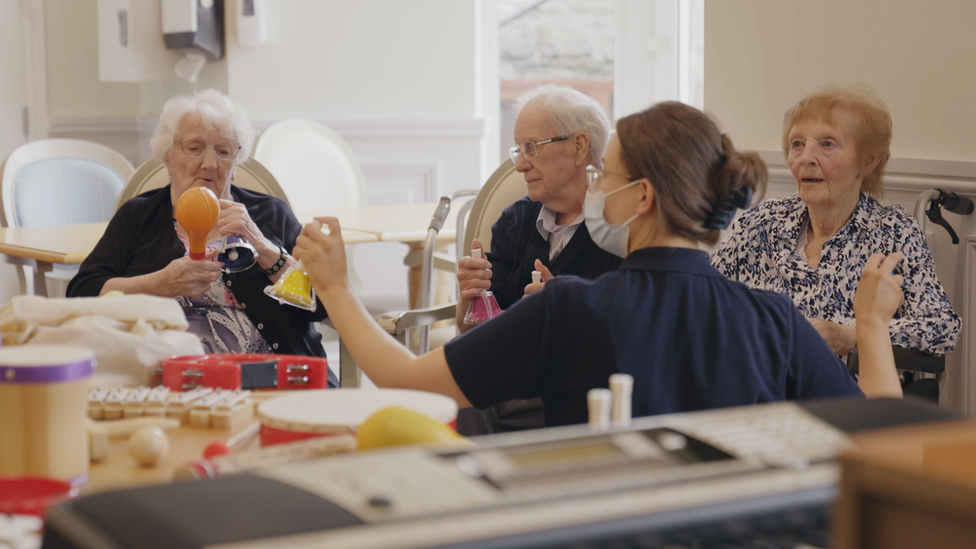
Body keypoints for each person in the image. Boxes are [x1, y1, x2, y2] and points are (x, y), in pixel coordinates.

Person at [294, 101, 901, 429]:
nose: (593, 189)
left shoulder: (571, 307)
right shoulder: (773, 319)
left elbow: (402, 377)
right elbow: (884, 429)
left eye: (602, 175)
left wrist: (336, 287)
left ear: (640, 197)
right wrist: (871, 328)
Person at [67, 90, 337, 387]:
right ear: (168, 158)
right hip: (170, 386)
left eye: (223, 151)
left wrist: (264, 248)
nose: (209, 163)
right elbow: (83, 294)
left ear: (235, 167)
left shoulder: (269, 215)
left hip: (280, 381)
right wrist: (159, 284)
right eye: (195, 147)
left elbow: (319, 305)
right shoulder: (138, 216)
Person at [711, 86, 960, 361]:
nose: (806, 157)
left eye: (827, 144)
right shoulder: (761, 223)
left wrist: (852, 335)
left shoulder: (892, 232)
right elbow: (705, 300)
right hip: (758, 389)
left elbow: (941, 326)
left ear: (867, 161)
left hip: (846, 396)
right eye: (797, 144)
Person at [455, 85, 621, 433]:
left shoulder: (619, 229)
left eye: (530, 148)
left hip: (580, 389)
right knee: (460, 370)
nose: (519, 165)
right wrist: (470, 301)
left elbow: (627, 335)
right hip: (513, 381)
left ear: (579, 147)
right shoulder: (515, 222)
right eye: (518, 150)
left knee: (467, 384)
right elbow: (477, 333)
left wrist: (564, 311)